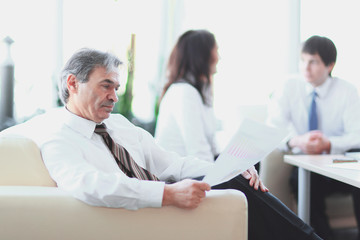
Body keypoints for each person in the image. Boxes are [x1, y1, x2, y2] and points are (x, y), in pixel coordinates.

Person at [2, 47, 321, 240]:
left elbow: (172, 164)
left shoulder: (118, 124)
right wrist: (168, 194)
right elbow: (90, 185)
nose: (114, 96)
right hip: (144, 209)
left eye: (117, 87)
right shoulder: (56, 133)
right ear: (72, 83)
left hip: (164, 192)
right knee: (242, 194)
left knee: (237, 178)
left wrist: (230, 167)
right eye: (105, 86)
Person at [267, 35, 360, 240]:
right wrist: (296, 141)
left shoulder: (347, 91)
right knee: (303, 183)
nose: (305, 68)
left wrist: (329, 144)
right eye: (303, 61)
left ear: (330, 65)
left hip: (339, 163)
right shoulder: (289, 86)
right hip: (306, 164)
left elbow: (357, 135)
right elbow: (273, 128)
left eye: (313, 62)